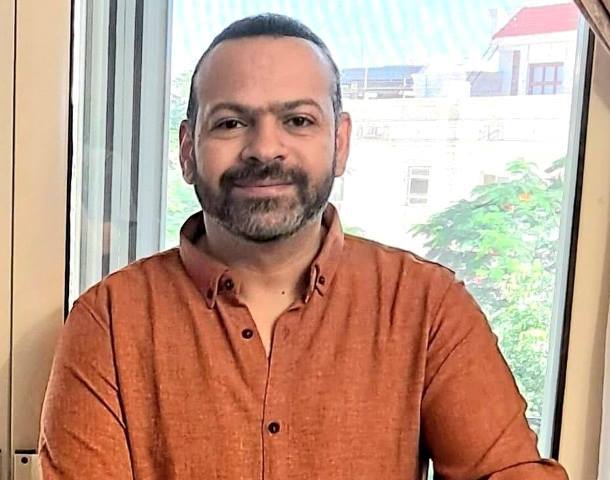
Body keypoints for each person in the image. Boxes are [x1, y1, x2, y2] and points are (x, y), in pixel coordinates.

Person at [38, 13, 569, 480]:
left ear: (340, 143)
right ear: (187, 150)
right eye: (230, 122)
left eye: (297, 120)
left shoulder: (427, 308)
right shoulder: (108, 323)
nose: (265, 148)